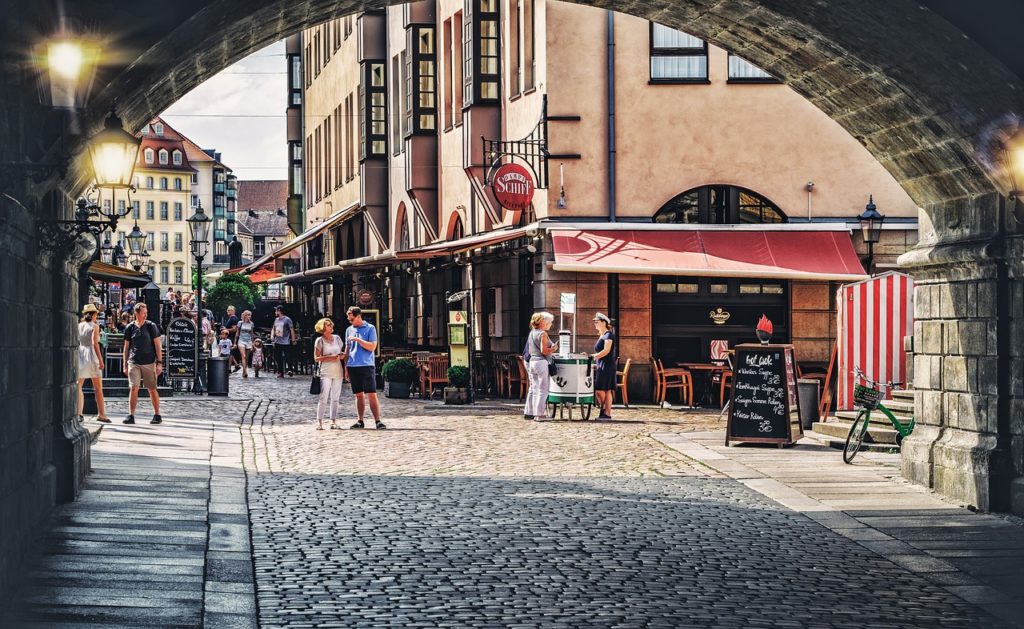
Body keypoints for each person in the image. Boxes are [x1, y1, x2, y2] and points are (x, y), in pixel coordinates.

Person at [344, 306, 385, 429]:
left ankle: (377, 420)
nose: (350, 322)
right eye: (349, 320)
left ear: (358, 316)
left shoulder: (370, 328)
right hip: (352, 365)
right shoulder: (348, 330)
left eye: (352, 319)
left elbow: (372, 347)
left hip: (366, 365)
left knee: (371, 393)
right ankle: (360, 420)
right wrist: (346, 366)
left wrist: (358, 339)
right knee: (358, 394)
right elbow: (347, 350)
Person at [122, 303, 162, 425]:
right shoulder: (130, 327)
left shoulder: (151, 326)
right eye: (143, 312)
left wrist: (159, 362)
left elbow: (157, 345)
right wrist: (125, 363)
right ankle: (131, 415)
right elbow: (126, 347)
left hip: (149, 362)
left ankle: (157, 414)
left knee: (151, 389)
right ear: (137, 313)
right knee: (134, 387)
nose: (145, 315)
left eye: (146, 313)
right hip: (134, 362)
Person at [77, 304, 110, 423]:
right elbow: (95, 344)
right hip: (91, 355)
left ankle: (79, 413)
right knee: (98, 387)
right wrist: (100, 360)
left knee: (78, 385)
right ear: (94, 314)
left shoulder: (79, 325)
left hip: (81, 353)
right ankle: (101, 414)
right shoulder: (95, 326)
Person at [313, 318, 347, 430]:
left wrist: (342, 356)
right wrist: (330, 357)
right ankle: (319, 422)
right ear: (323, 328)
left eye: (331, 324)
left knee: (335, 398)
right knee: (323, 397)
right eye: (328, 325)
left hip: (338, 370)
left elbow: (342, 354)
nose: (331, 326)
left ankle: (333, 421)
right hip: (326, 372)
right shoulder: (320, 340)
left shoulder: (337, 338)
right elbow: (316, 358)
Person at [524, 311, 556, 421]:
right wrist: (553, 349)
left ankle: (534, 413)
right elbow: (544, 351)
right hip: (541, 362)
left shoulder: (532, 332)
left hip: (532, 361)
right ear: (542, 322)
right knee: (543, 389)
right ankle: (540, 414)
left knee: (535, 388)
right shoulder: (543, 333)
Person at [590, 312, 617, 420]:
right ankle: (606, 413)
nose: (595, 323)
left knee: (601, 390)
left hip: (607, 365)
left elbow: (606, 351)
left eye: (597, 322)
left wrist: (592, 357)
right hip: (602, 365)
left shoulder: (608, 335)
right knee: (606, 390)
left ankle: (605, 410)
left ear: (604, 322)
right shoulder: (602, 335)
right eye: (594, 322)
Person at [271, 305, 296, 378]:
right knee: (278, 357)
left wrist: (293, 339)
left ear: (279, 311)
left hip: (286, 341)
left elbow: (291, 329)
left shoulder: (287, 319)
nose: (275, 312)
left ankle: (290, 369)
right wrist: (272, 335)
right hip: (277, 341)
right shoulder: (276, 320)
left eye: (276, 311)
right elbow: (273, 328)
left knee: (288, 356)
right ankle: (280, 372)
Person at [235, 310, 256, 377]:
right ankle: (245, 371)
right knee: (243, 356)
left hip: (248, 341)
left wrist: (253, 343)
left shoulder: (251, 324)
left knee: (246, 358)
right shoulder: (240, 323)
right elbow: (237, 333)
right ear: (245, 315)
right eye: (248, 315)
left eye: (250, 315)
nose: (249, 316)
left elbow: (252, 334)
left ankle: (244, 371)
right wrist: (235, 342)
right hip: (241, 340)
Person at [221, 306, 241, 371]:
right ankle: (234, 366)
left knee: (229, 353)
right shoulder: (231, 318)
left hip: (232, 338)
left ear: (232, 311)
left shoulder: (234, 319)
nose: (227, 312)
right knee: (229, 353)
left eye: (228, 310)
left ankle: (232, 366)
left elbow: (235, 329)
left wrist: (225, 329)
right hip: (230, 338)